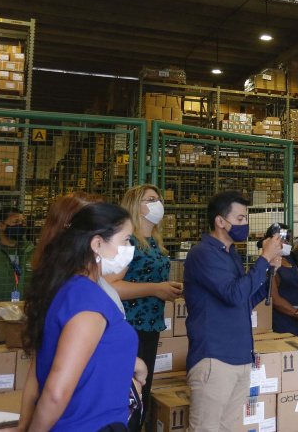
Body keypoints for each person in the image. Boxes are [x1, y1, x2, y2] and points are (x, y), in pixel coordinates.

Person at [19, 203, 143, 431]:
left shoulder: (70, 289)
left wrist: (131, 363)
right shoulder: (88, 300)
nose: (130, 248)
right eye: (125, 240)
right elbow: (56, 393)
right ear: (97, 244)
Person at [183, 191, 281, 432]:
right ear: (220, 221)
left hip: (240, 357)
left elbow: (244, 300)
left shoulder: (231, 255)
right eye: (240, 219)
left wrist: (269, 272)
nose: (244, 224)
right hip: (215, 358)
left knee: (227, 427)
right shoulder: (203, 253)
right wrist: (263, 258)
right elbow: (233, 294)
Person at [107, 184, 182, 432]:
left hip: (150, 325)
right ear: (135, 206)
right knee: (128, 391)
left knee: (143, 390)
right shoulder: (128, 243)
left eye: (158, 199)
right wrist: (155, 288)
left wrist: (168, 289)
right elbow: (110, 286)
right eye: (150, 199)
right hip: (130, 326)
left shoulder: (154, 242)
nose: (158, 203)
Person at [269, 224, 298, 339]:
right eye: (284, 241)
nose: (288, 244)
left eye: (289, 241)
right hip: (284, 321)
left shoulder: (289, 259)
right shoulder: (269, 264)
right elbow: (275, 299)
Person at [0, 206, 35, 301]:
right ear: (0, 226)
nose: (20, 226)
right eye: (15, 222)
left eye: (22, 222)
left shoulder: (30, 250)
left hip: (24, 306)